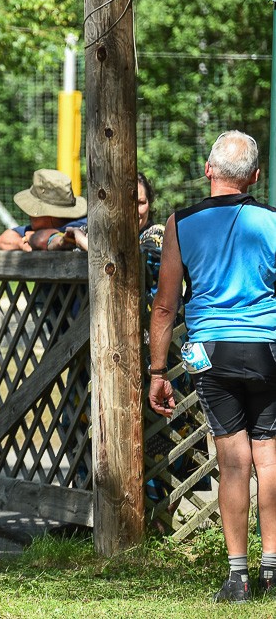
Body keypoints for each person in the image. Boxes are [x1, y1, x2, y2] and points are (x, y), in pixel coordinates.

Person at [149, 130, 276, 603]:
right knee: (270, 457)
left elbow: (165, 305)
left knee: (233, 461)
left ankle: (238, 577)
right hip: (267, 349)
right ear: (255, 177)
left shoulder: (181, 223)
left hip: (212, 352)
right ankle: (273, 570)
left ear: (208, 171)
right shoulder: (272, 221)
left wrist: (157, 372)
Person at [0, 168, 87, 252]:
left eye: (32, 210)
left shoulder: (84, 225)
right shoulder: (41, 228)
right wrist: (22, 244)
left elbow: (42, 239)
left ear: (49, 216)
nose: (30, 216)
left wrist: (36, 239)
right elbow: (2, 240)